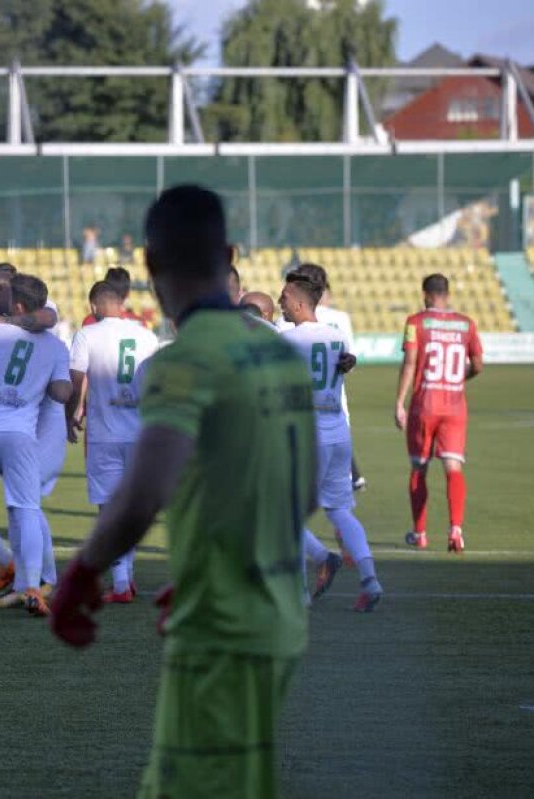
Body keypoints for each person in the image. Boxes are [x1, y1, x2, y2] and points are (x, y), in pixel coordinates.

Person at [50, 185, 313, 798]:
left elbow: (144, 492)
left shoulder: (181, 361)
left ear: (149, 266)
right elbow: (302, 488)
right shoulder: (279, 357)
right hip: (277, 614)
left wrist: (84, 573)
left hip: (220, 627)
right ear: (226, 255)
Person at [0, 273, 72, 615]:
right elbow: (62, 393)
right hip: (21, 434)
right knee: (27, 511)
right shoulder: (56, 346)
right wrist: (45, 382)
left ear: (17, 305)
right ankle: (34, 589)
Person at [279, 271, 383, 612]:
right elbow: (344, 364)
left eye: (283, 298)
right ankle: (370, 579)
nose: (280, 302)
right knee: (340, 511)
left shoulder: (289, 340)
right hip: (338, 433)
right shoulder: (336, 336)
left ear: (297, 302)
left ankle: (305, 587)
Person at [67, 280, 161, 603]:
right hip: (140, 432)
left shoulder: (87, 334)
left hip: (105, 434)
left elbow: (75, 379)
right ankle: (126, 578)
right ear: (122, 303)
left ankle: (121, 584)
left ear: (94, 306)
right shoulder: (147, 335)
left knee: (108, 508)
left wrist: (71, 415)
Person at [395, 273, 484, 553]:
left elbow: (410, 363)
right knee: (453, 467)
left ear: (425, 294)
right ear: (447, 293)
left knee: (419, 467)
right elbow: (479, 364)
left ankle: (420, 533)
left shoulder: (416, 322)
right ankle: (456, 530)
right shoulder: (466, 324)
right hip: (455, 405)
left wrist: (399, 402)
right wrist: (457, 378)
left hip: (425, 403)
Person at [292, 263, 366, 491]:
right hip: (335, 409)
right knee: (339, 496)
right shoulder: (340, 319)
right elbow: (348, 363)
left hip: (297, 413)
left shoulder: (287, 319)